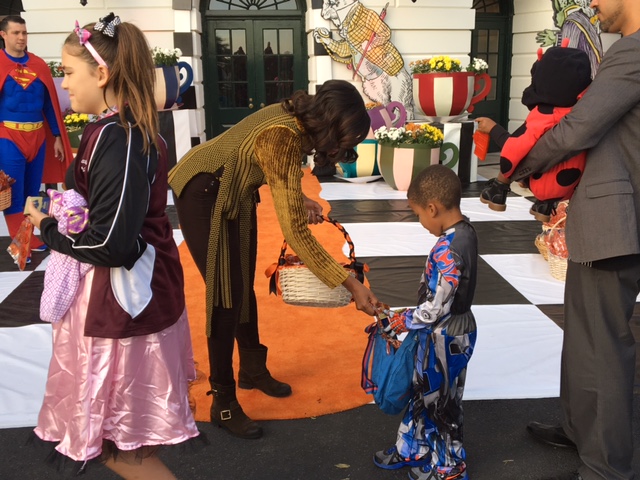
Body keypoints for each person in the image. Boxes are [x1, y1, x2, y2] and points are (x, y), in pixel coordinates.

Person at [25, 13, 201, 479]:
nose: (63, 84)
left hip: (122, 306)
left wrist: (47, 229)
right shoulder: (115, 130)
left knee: (113, 442)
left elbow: (111, 243)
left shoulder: (119, 137)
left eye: (67, 72)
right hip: (121, 299)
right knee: (111, 440)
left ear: (102, 74)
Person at [169, 79, 380, 439]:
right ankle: (222, 400)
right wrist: (351, 284)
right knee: (225, 295)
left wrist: (299, 195)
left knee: (240, 287)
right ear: (330, 126)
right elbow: (296, 233)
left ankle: (251, 368)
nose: (345, 150)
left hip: (232, 188)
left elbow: (272, 166)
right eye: (345, 141)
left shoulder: (296, 118)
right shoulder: (284, 135)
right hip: (202, 192)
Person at [509, 1, 640, 479]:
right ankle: (578, 428)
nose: (592, 5)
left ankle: (606, 466)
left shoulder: (633, 53)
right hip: (612, 219)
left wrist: (515, 166)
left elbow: (578, 128)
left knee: (603, 344)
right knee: (586, 337)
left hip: (615, 223)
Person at [373, 164, 478, 480]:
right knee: (423, 393)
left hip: (446, 336)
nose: (420, 222)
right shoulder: (465, 233)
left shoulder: (449, 248)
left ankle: (449, 466)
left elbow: (437, 307)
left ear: (432, 208)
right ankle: (413, 447)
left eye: (418, 214)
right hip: (439, 334)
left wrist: (399, 321)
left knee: (442, 404)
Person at [476, 43, 592, 222]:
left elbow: (517, 146)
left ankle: (498, 190)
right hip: (566, 186)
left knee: (519, 147)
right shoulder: (579, 114)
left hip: (543, 182)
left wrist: (504, 174)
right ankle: (543, 206)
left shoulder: (544, 115)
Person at [0, 15, 72, 251]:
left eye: (24, 32)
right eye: (15, 33)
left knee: (32, 192)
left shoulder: (39, 65)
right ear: (3, 35)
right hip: (8, 136)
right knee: (13, 193)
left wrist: (58, 136)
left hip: (38, 137)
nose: (21, 37)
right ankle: (20, 244)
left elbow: (49, 104)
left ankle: (30, 236)